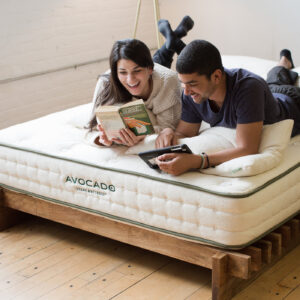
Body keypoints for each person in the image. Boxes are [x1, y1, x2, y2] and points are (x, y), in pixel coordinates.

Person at [155, 40, 300, 175]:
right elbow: (185, 132)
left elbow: (247, 149)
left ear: (216, 76)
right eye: (183, 83)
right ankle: (284, 62)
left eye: (192, 84)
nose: (186, 92)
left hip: (293, 103)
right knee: (275, 79)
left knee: (277, 82)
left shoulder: (249, 88)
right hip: (270, 94)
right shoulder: (190, 94)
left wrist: (197, 161)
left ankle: (283, 64)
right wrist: (168, 132)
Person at [88, 16, 194, 147]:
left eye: (136, 71)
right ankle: (174, 38)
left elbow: (168, 128)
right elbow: (92, 126)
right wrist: (107, 139)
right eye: (122, 72)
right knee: (159, 61)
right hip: (151, 74)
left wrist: (144, 134)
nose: (130, 79)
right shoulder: (106, 82)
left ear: (150, 69)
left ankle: (173, 41)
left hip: (157, 76)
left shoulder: (169, 81)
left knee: (163, 63)